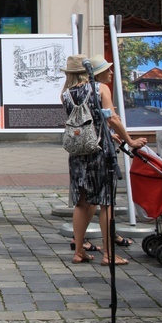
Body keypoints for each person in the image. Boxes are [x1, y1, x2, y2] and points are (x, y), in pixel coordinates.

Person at [61, 54, 146, 267]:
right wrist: (129, 141)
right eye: (107, 69)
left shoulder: (66, 94)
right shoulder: (99, 89)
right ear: (92, 72)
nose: (110, 72)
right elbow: (112, 118)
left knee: (82, 202)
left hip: (79, 151)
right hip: (99, 152)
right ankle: (109, 254)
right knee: (106, 202)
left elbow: (86, 121)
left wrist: (107, 132)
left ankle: (79, 251)